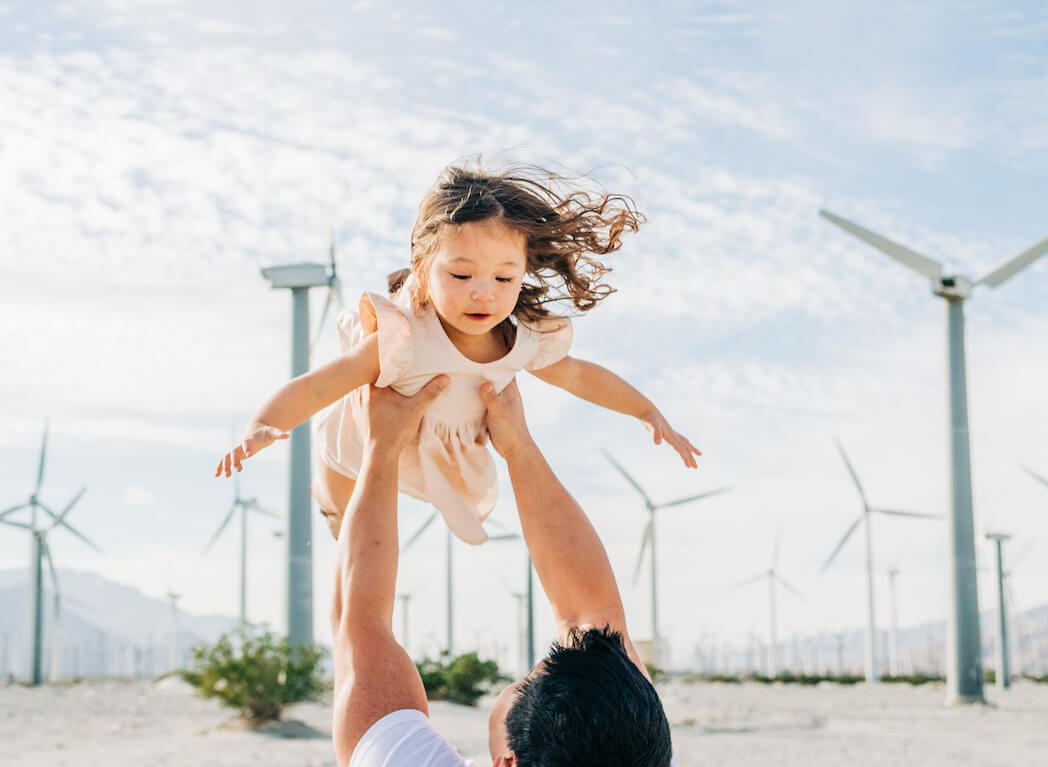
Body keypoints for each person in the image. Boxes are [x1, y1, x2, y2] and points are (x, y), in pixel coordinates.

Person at [331, 372, 680, 767]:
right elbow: (595, 619)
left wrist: (381, 446)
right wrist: (515, 443)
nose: (525, 672)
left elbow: (361, 624)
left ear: (509, 764)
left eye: (525, 682)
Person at [214, 164, 701, 544]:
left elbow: (580, 377)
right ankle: (332, 516)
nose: (483, 294)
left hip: (442, 459)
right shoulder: (403, 336)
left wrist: (647, 410)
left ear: (523, 274)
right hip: (361, 446)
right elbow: (322, 383)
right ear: (422, 270)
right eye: (462, 276)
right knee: (349, 525)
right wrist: (262, 422)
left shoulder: (521, 342)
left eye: (504, 279)